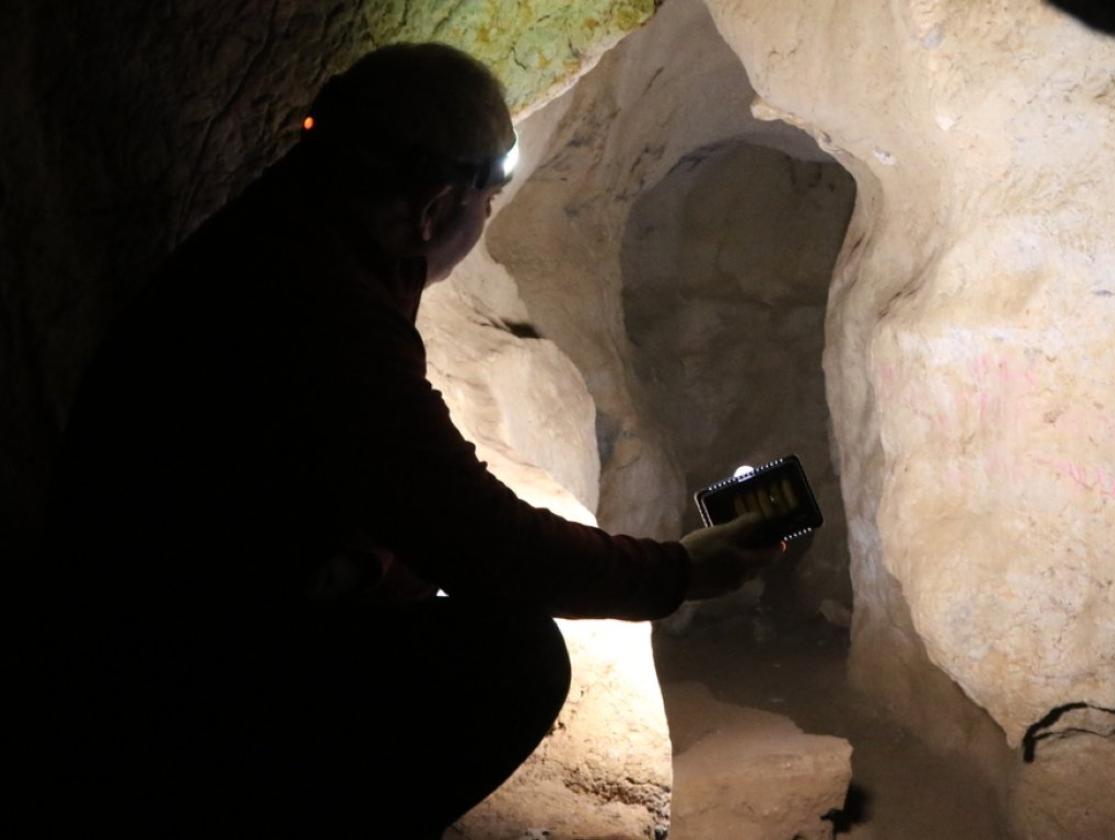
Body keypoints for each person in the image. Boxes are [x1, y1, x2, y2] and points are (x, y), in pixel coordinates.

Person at [39, 43, 784, 836]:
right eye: (487, 202)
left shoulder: (291, 226)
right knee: (514, 660)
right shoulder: (327, 313)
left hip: (148, 617)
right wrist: (678, 572)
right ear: (433, 210)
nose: (484, 219)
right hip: (162, 691)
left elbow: (351, 477)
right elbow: (488, 544)